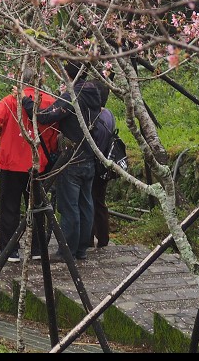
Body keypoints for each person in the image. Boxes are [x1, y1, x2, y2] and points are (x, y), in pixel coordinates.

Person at [22, 62, 102, 262]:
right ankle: (82, 248)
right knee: (86, 204)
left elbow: (45, 116)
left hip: (72, 158)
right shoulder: (93, 94)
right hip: (89, 157)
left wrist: (25, 101)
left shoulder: (72, 97)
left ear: (69, 75)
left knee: (70, 207)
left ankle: (67, 250)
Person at [0, 70, 58, 262]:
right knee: (36, 207)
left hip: (10, 162)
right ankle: (37, 248)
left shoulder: (11, 100)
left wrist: (4, 130)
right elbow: (53, 134)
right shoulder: (49, 101)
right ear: (40, 80)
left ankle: (10, 250)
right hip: (37, 164)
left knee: (9, 206)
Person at [89, 85, 115, 248]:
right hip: (106, 163)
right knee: (99, 201)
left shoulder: (94, 118)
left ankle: (89, 239)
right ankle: (103, 238)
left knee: (89, 201)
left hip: (94, 164)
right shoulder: (109, 114)